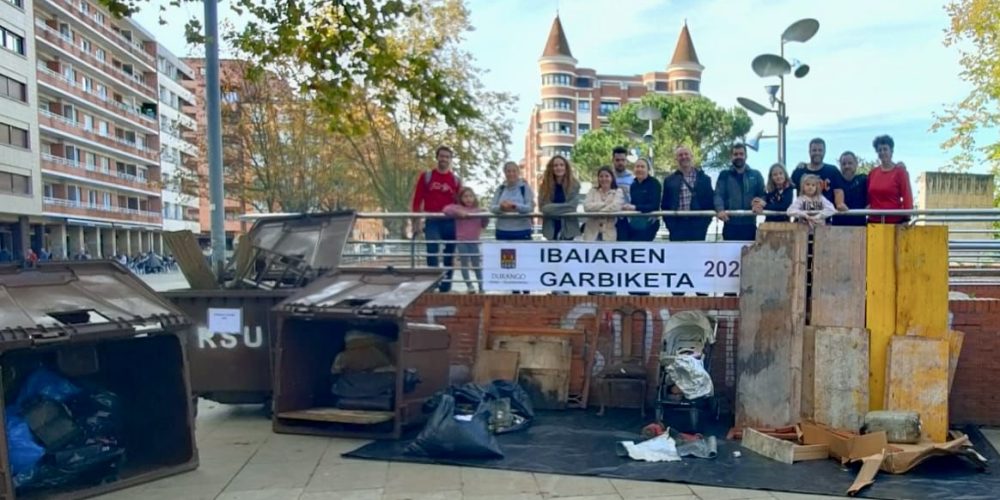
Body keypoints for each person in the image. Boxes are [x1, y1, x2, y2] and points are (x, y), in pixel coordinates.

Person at [411, 145, 462, 292]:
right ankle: (432, 283)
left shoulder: (456, 180)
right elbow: (417, 199)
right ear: (437, 157)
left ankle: (446, 284)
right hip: (432, 220)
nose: (444, 159)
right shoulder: (427, 177)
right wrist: (416, 220)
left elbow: (460, 203)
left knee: (449, 253)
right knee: (432, 250)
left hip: (450, 221)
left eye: (447, 157)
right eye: (442, 156)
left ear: (450, 160)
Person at [660, 147, 714, 241]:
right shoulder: (669, 180)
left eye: (686, 154)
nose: (684, 157)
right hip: (677, 226)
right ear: (676, 159)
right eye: (680, 155)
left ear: (692, 157)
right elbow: (665, 204)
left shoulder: (704, 179)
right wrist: (670, 224)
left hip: (698, 226)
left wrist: (704, 224)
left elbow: (710, 202)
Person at [714, 143, 766, 241]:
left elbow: (763, 195)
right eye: (736, 154)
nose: (739, 156)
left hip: (750, 224)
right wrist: (720, 209)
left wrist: (760, 203)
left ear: (746, 156)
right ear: (731, 157)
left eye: (741, 154)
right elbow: (718, 195)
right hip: (730, 225)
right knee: (729, 251)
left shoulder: (756, 175)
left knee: (749, 251)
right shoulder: (724, 175)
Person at [444, 187, 489, 293]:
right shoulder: (458, 208)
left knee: (476, 264)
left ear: (474, 197)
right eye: (465, 196)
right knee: (464, 263)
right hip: (462, 241)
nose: (468, 199)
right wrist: (459, 212)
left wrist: (485, 216)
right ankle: (469, 286)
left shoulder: (478, 210)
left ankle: (481, 286)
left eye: (470, 196)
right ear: (461, 198)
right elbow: (446, 209)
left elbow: (484, 224)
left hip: (474, 241)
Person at [867, 135, 913, 224]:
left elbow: (907, 196)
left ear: (891, 151)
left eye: (885, 149)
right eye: (879, 150)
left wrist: (907, 218)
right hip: (874, 221)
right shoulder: (872, 173)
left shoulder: (900, 172)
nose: (882, 152)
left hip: (894, 222)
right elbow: (868, 197)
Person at [538, 155, 582, 241]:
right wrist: (564, 208)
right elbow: (544, 208)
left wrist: (552, 210)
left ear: (566, 167)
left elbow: (572, 206)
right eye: (555, 165)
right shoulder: (544, 186)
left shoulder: (575, 185)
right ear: (551, 168)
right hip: (550, 229)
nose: (559, 168)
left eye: (562, 165)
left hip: (569, 229)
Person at [490, 161, 536, 241]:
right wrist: (501, 208)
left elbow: (530, 207)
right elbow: (492, 208)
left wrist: (514, 206)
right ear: (505, 173)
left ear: (518, 172)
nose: (511, 174)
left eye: (514, 171)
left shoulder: (525, 188)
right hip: (502, 231)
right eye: (508, 171)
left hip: (522, 231)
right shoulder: (500, 189)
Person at [791, 138, 844, 206]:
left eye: (820, 150)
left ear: (824, 152)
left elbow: (838, 191)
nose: (817, 153)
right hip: (803, 211)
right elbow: (787, 186)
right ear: (809, 152)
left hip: (826, 212)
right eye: (814, 150)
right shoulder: (799, 171)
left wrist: (840, 204)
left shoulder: (833, 170)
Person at [582, 166, 629, 241]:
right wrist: (605, 204)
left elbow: (616, 207)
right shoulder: (592, 191)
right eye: (601, 176)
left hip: (608, 234)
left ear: (612, 178)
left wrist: (596, 210)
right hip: (591, 234)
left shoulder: (618, 191)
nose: (604, 179)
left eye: (607, 176)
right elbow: (586, 206)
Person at [627, 158, 662, 242]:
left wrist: (635, 207)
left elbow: (654, 205)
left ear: (648, 169)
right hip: (634, 224)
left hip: (649, 224)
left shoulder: (654, 183)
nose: (639, 169)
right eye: (637, 166)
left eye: (642, 167)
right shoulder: (633, 185)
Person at [831, 151, 870, 226]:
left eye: (850, 163)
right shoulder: (835, 181)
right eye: (844, 164)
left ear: (856, 164)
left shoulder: (864, 179)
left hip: (860, 227)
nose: (847, 166)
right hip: (838, 228)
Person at [611, 146, 635, 241]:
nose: (620, 163)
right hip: (610, 218)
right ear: (613, 160)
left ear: (626, 161)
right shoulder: (607, 177)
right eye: (617, 160)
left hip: (627, 218)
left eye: (623, 160)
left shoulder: (633, 178)